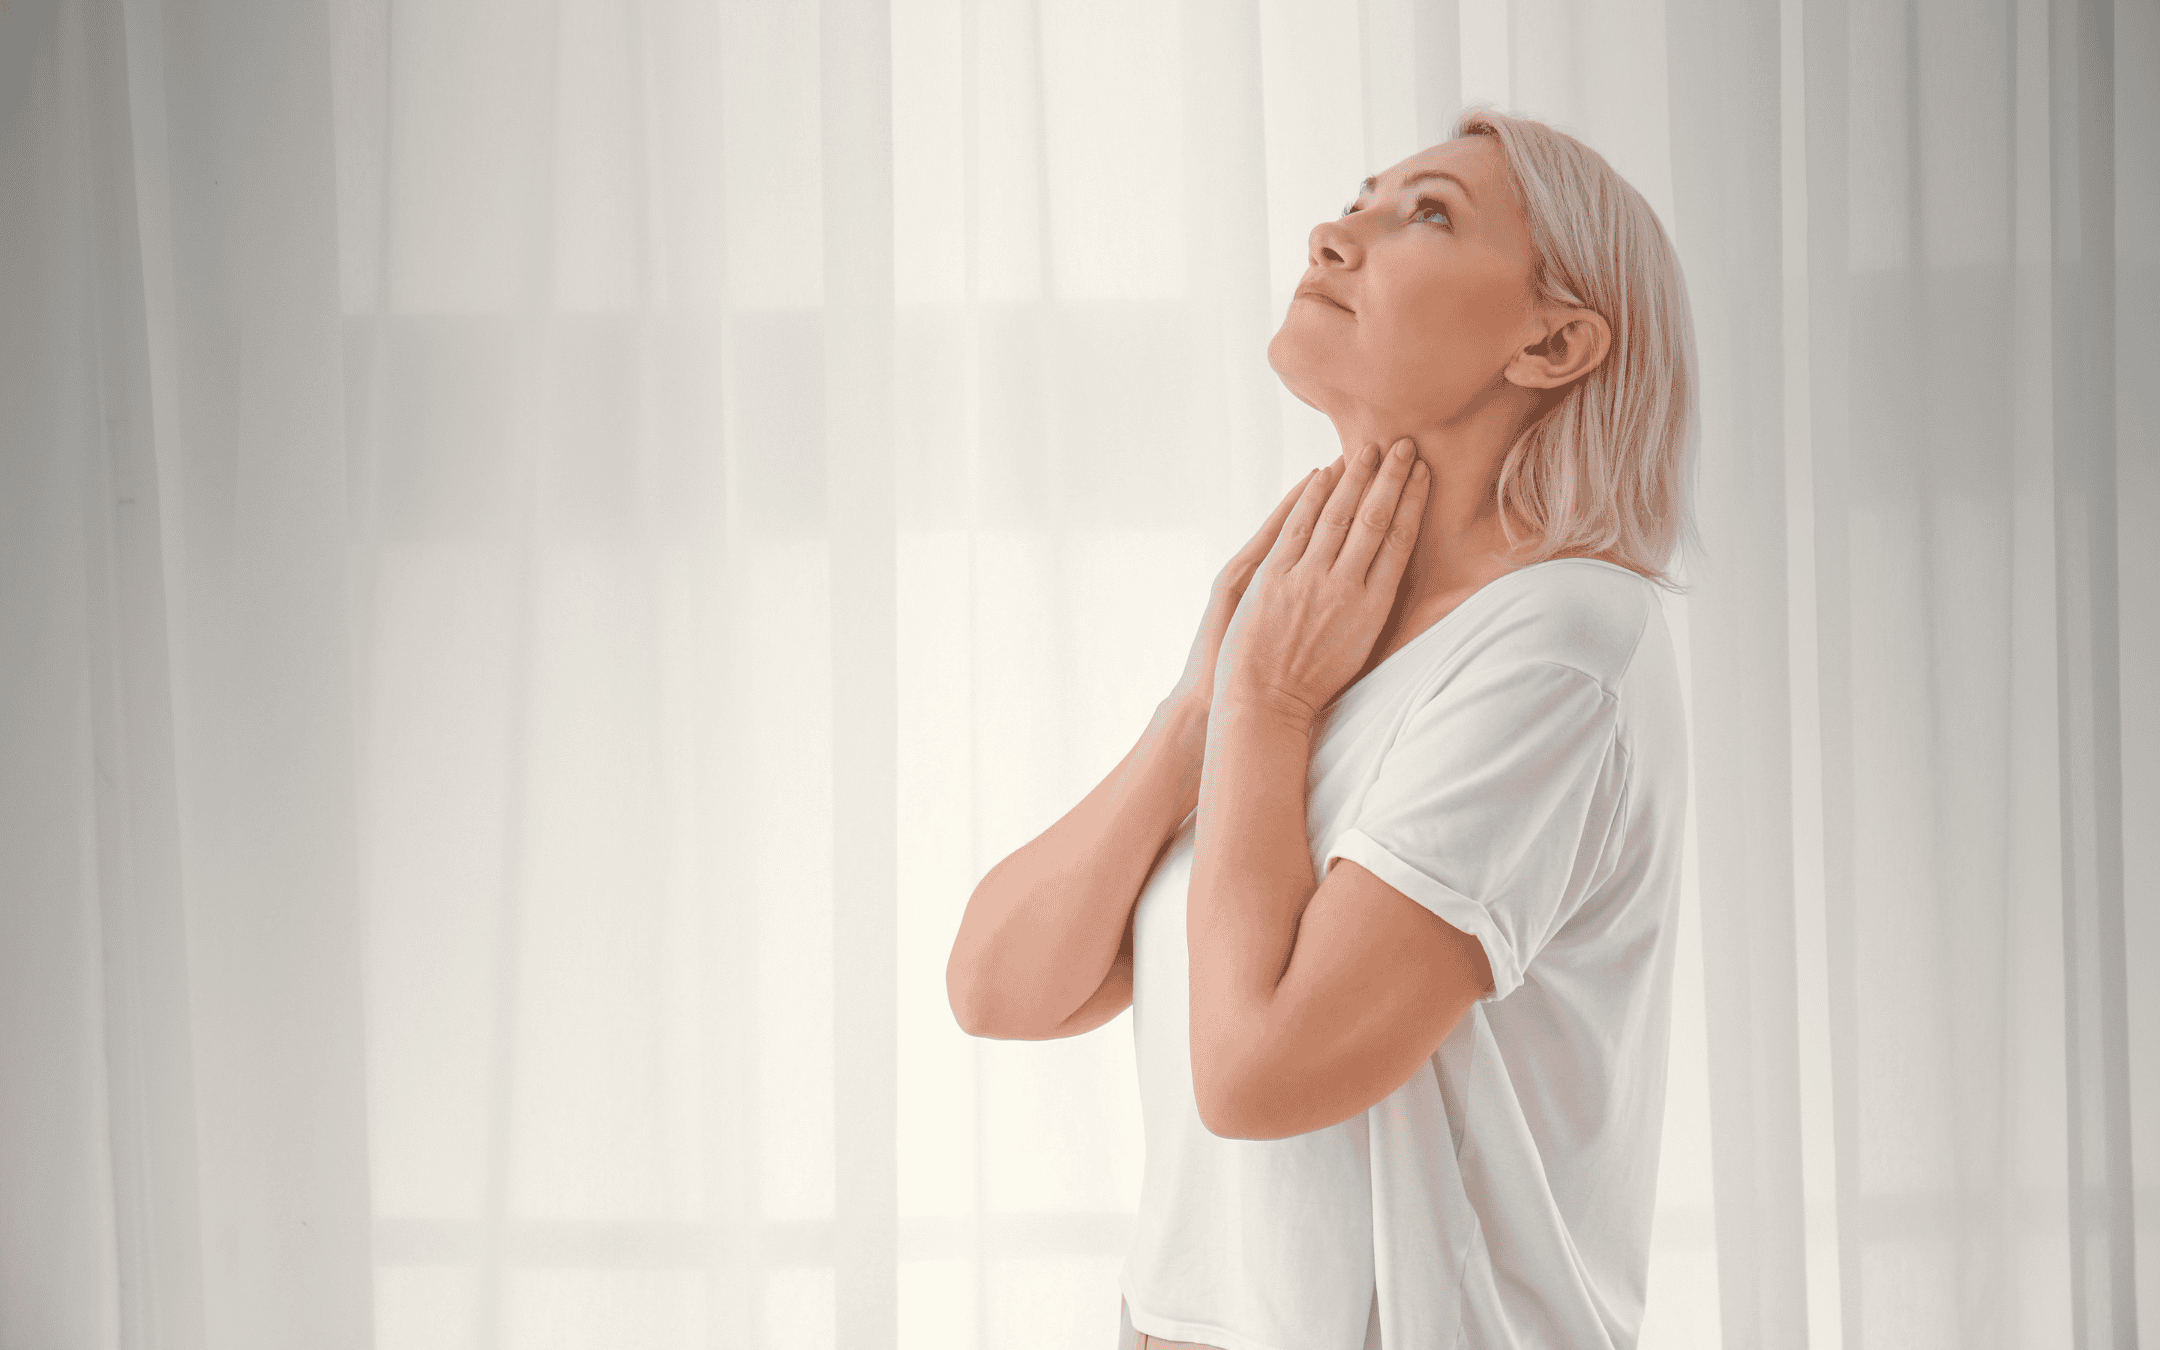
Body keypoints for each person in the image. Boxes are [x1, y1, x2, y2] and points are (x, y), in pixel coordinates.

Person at [947, 104, 1698, 1350]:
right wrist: (1203, 707)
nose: (1336, 232)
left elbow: (1260, 1076)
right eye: (1362, 197)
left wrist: (1266, 706)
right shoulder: (1319, 633)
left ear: (1556, 342)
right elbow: (999, 987)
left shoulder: (1562, 646)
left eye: (1430, 214)